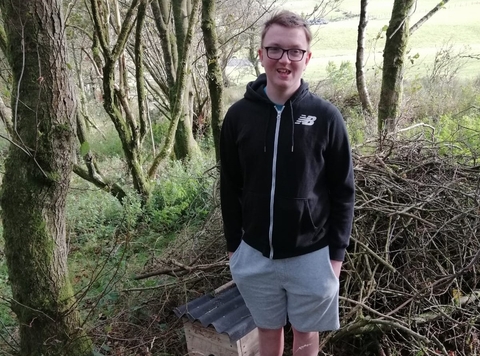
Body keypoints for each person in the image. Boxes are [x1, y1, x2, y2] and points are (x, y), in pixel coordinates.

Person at [220, 10, 355, 356]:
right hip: (254, 254)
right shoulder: (237, 117)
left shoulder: (327, 117)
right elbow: (230, 184)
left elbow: (343, 192)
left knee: (306, 333)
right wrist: (236, 248)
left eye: (295, 51)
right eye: (275, 49)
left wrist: (335, 258)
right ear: (261, 54)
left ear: (307, 58)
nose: (285, 59)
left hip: (312, 254)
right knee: (268, 331)